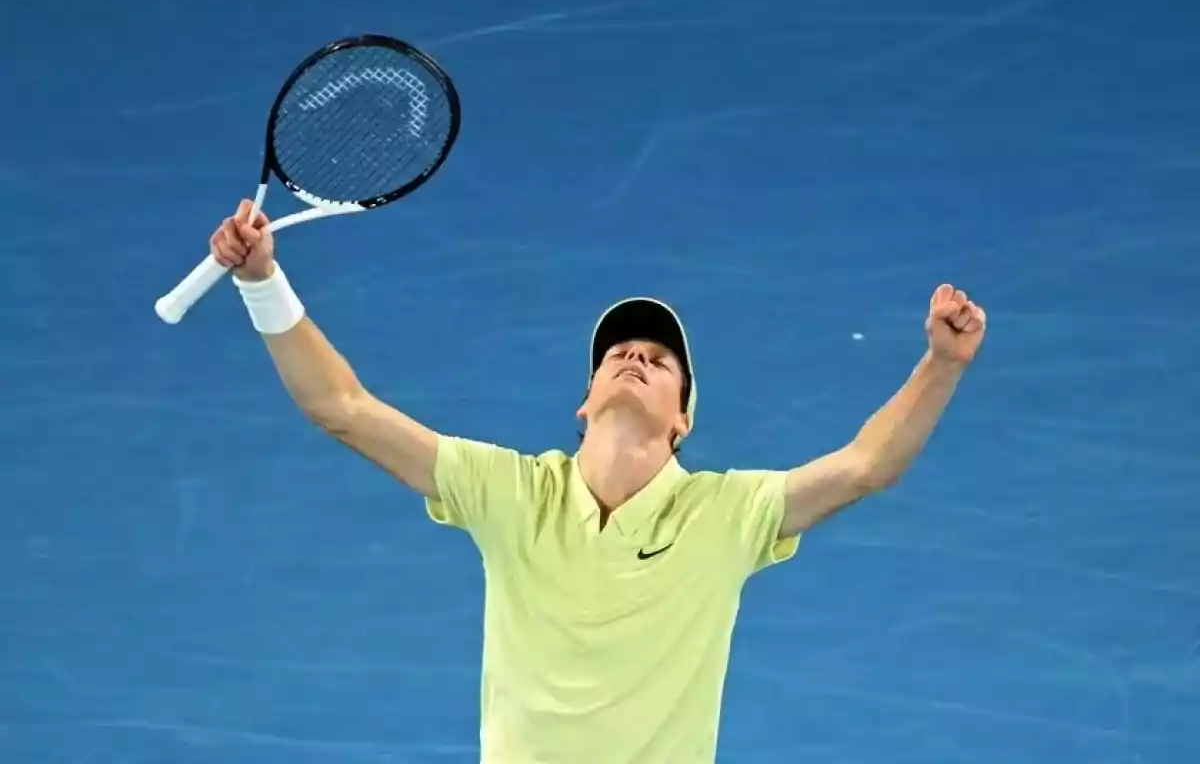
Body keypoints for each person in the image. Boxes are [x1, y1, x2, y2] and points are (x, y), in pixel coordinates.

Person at [210, 199, 988, 763]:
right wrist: (262, 283)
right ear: (584, 405)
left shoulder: (728, 514)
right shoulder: (508, 491)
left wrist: (941, 364)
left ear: (683, 419)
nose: (637, 357)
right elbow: (342, 408)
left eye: (661, 360)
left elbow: (867, 466)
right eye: (620, 353)